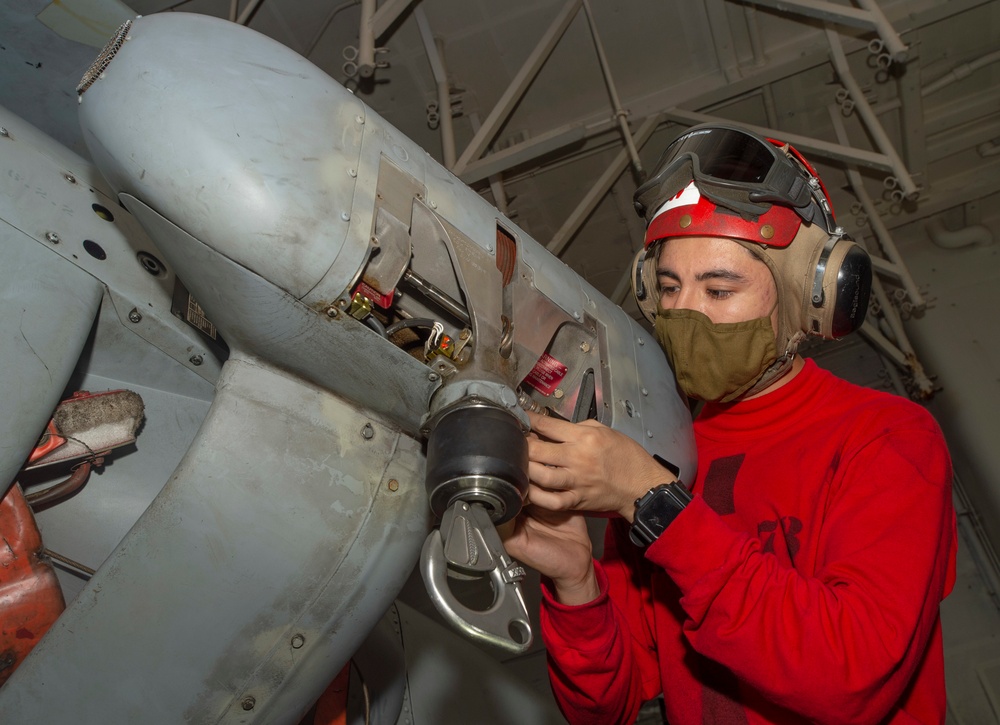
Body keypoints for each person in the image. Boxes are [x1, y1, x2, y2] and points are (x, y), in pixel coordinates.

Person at [502, 123, 957, 725]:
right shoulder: (656, 453)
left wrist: (655, 505)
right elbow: (608, 708)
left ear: (807, 298)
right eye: (669, 287)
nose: (686, 314)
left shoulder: (887, 437)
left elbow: (851, 677)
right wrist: (577, 582)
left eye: (719, 289)